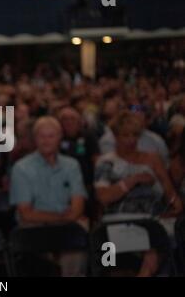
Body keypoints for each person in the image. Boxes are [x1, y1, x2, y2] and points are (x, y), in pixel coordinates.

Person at [94, 111, 183, 276]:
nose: (131, 140)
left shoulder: (153, 159)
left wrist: (173, 205)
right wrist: (132, 180)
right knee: (108, 254)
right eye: (125, 135)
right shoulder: (106, 162)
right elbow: (104, 197)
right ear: (115, 136)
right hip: (114, 224)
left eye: (135, 135)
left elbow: (171, 196)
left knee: (158, 246)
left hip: (150, 222)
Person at [10, 116, 88, 276]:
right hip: (34, 229)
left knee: (77, 236)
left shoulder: (72, 165)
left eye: (51, 136)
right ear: (35, 139)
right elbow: (26, 214)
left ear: (60, 137)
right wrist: (63, 217)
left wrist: (67, 218)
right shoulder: (21, 168)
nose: (46, 141)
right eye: (42, 136)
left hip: (67, 227)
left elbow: (77, 208)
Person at [99, 105, 169, 165]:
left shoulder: (156, 140)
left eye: (141, 113)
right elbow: (111, 166)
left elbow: (165, 165)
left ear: (148, 120)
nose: (132, 140)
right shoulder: (107, 140)